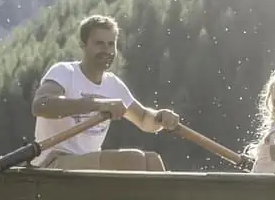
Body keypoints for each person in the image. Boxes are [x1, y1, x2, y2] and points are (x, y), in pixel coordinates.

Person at [30, 14, 180, 170]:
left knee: (152, 160)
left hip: (88, 168)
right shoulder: (64, 72)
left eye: (110, 44)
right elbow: (41, 105)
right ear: (83, 45)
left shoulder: (113, 84)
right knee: (134, 160)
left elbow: (143, 119)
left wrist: (160, 118)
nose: (106, 50)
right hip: (52, 162)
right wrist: (98, 105)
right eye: (99, 44)